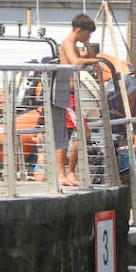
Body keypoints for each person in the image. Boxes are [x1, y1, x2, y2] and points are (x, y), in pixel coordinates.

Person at [39, 13, 103, 187]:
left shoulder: (75, 44)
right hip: (66, 95)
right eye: (87, 35)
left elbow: (88, 55)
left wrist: (88, 45)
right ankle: (67, 172)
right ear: (79, 30)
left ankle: (64, 173)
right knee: (85, 133)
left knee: (66, 135)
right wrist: (94, 62)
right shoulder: (67, 44)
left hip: (72, 96)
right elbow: (76, 61)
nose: (88, 38)